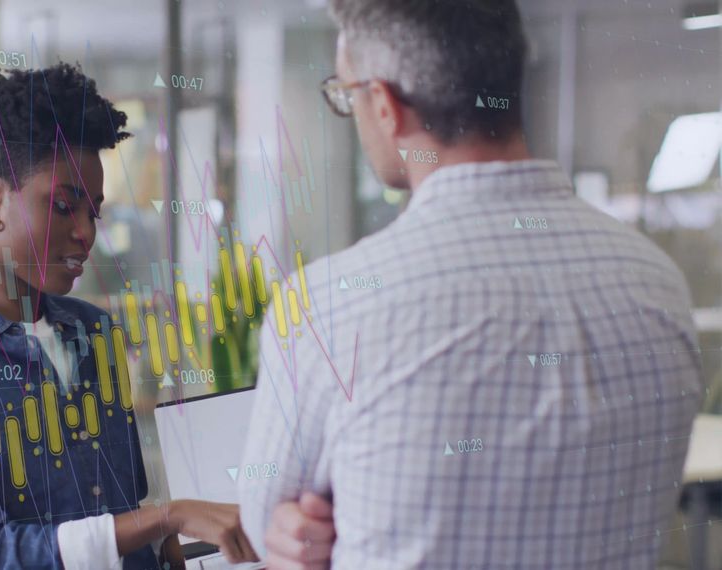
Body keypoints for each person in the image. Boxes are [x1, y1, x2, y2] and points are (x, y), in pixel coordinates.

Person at [239, 1, 704, 568]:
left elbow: (264, 525)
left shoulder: (329, 305)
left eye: (347, 94)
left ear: (383, 104)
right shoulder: (659, 283)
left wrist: (303, 534)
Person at [0, 63, 257, 569]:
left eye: (94, 211)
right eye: (64, 206)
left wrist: (194, 539)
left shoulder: (96, 332)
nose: (86, 232)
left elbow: (122, 516)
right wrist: (165, 518)